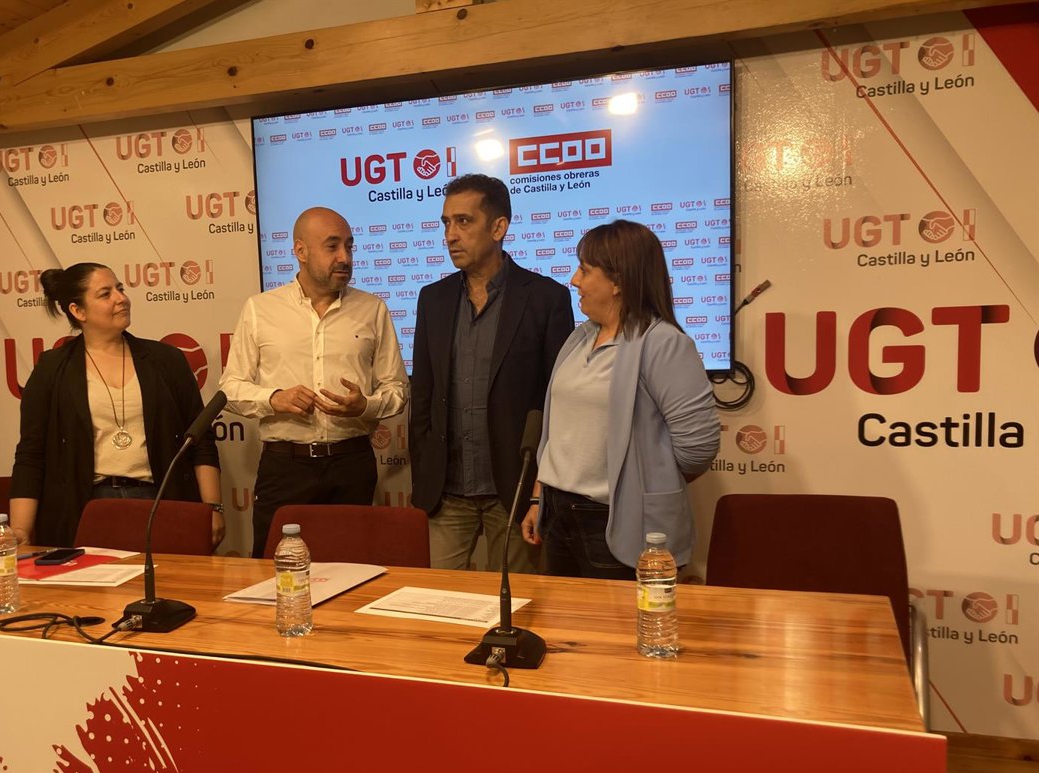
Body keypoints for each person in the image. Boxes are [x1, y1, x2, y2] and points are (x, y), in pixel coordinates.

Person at [521, 220, 720, 578]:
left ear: (618, 282)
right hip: (558, 516)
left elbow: (698, 450)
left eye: (585, 270)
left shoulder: (663, 344)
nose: (574, 280)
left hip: (615, 523)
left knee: (618, 618)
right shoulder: (580, 337)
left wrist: (643, 488)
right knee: (564, 617)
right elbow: (559, 436)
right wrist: (538, 498)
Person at [220, 207, 408, 558]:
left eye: (349, 246)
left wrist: (365, 406)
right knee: (275, 569)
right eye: (332, 246)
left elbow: (397, 390)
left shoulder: (373, 309)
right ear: (300, 251)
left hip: (351, 464)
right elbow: (229, 388)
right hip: (285, 467)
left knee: (353, 569)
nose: (345, 257)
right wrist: (274, 399)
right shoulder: (261, 309)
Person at [410, 173, 573, 572]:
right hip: (445, 494)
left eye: (463, 221)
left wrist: (540, 490)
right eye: (446, 222)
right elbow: (424, 396)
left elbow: (559, 403)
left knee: (517, 601)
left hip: (515, 492)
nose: (450, 235)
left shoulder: (546, 298)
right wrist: (424, 475)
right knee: (437, 601)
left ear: (499, 228)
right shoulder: (432, 299)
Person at [9, 263, 224, 548]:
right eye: (105, 294)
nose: (121, 298)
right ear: (78, 311)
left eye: (120, 289)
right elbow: (31, 454)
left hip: (161, 501)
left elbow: (201, 441)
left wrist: (212, 508)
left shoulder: (166, 360)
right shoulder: (52, 368)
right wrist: (20, 529)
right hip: (85, 509)